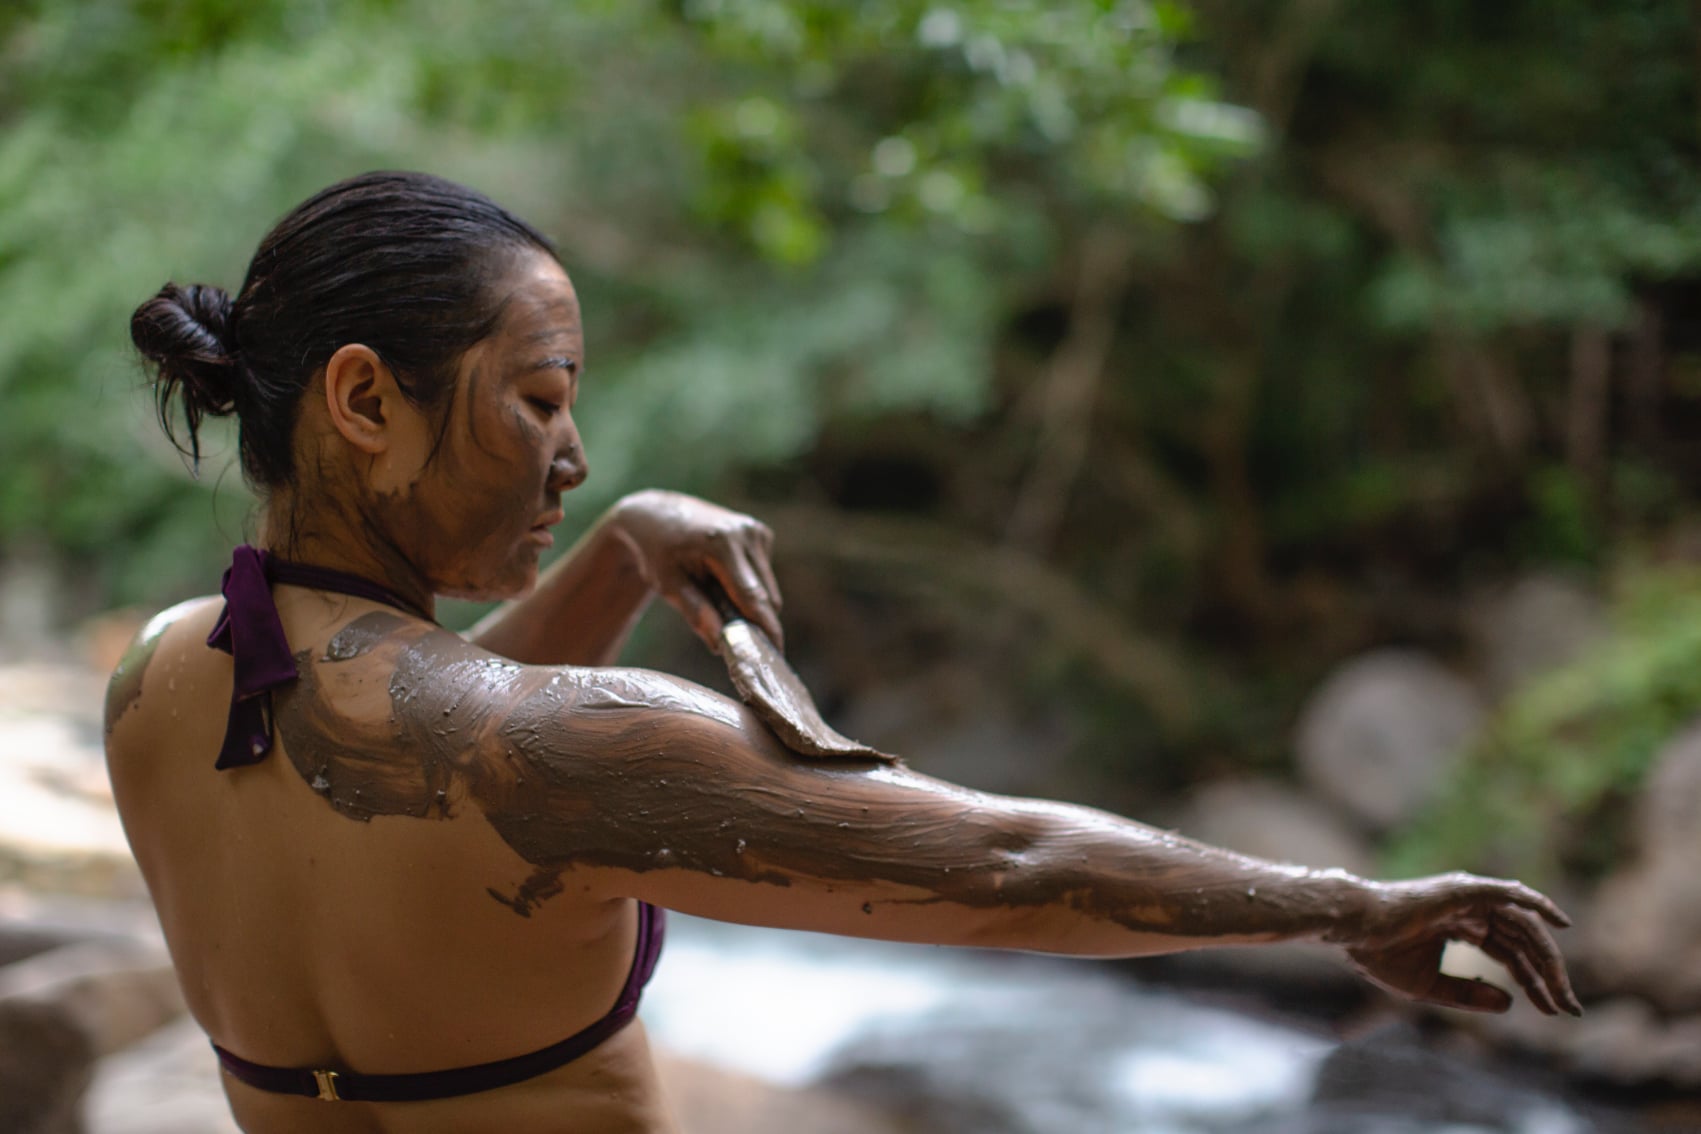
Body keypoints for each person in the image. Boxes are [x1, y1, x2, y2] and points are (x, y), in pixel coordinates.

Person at [106, 171, 1579, 1134]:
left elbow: (407, 731)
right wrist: (1345, 903)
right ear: (365, 398)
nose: (571, 452)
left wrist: (620, 546)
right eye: (537, 398)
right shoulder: (559, 746)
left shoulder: (168, 681)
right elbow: (1000, 866)